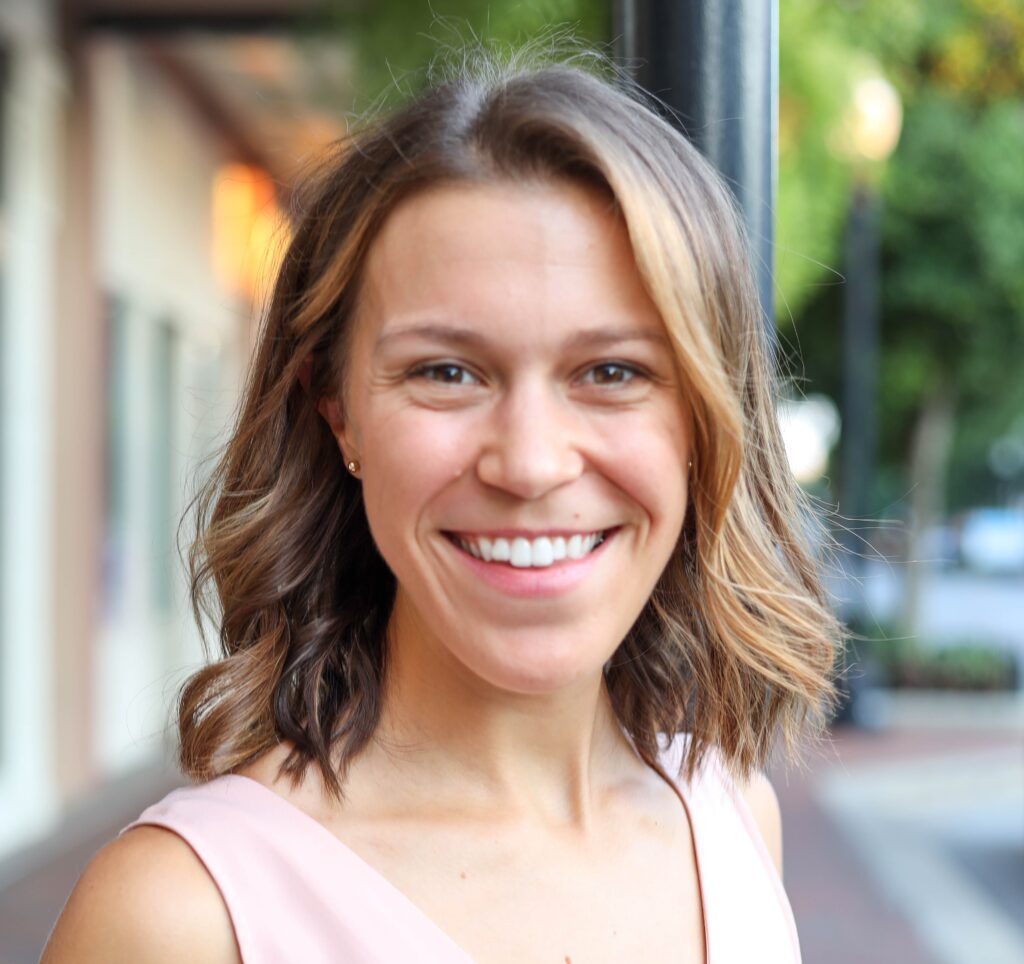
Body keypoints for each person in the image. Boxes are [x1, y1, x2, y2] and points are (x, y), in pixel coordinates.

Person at [44, 44, 840, 964]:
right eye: (448, 372)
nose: (531, 462)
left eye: (613, 371)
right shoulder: (182, 916)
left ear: (706, 418)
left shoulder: (734, 814)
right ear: (336, 413)